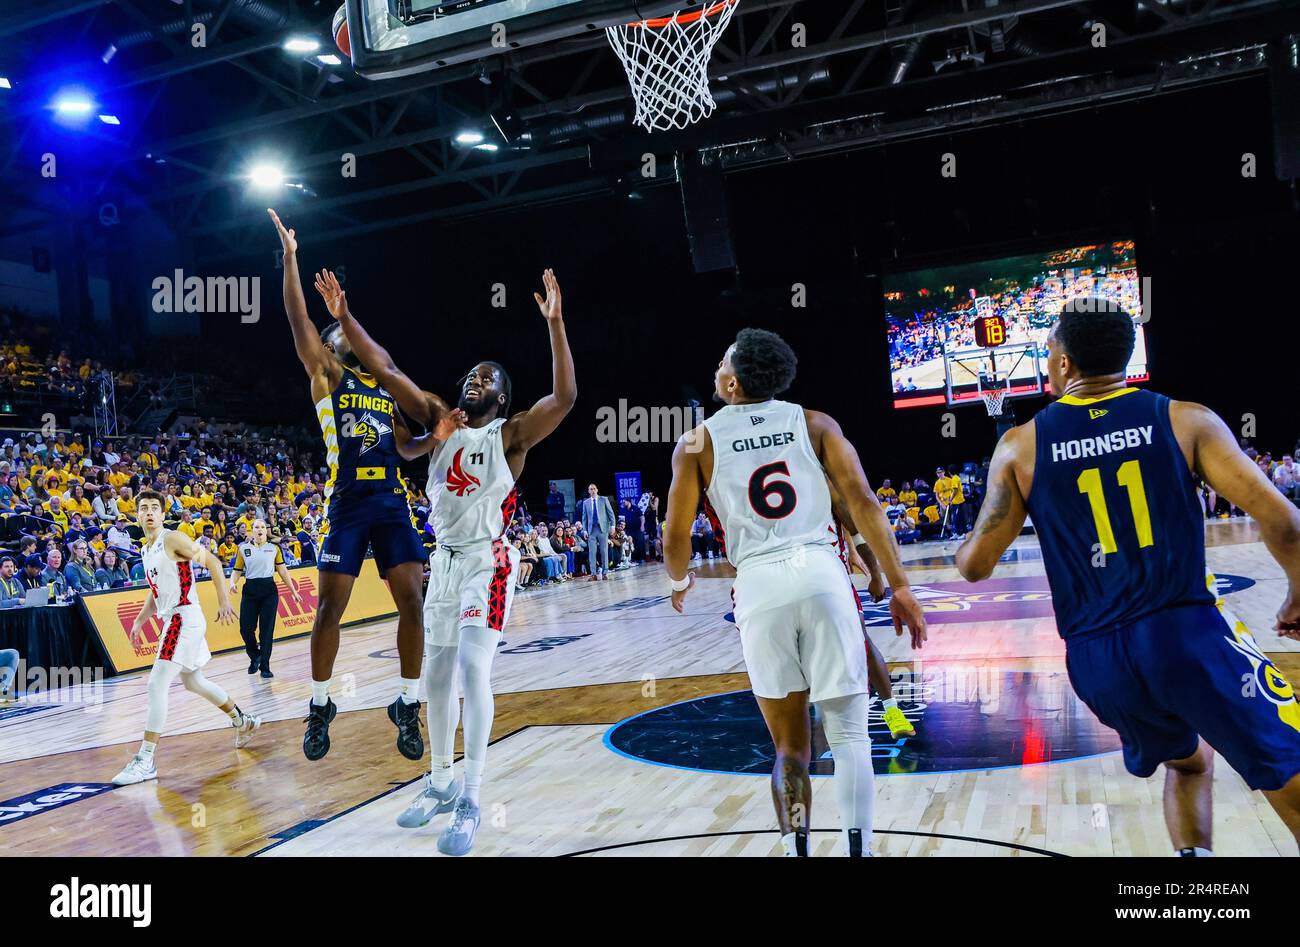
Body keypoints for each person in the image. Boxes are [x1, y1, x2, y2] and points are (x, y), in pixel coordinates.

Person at [956, 297, 1300, 855]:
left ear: (1064, 363)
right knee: (1289, 764)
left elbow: (975, 567)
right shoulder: (1183, 418)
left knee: (1190, 764)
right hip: (1183, 636)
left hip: (1096, 662)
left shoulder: (1020, 445)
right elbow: (1284, 521)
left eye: (1048, 353)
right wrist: (1296, 596)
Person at [325, 265, 574, 856]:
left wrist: (556, 325)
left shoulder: (511, 436)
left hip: (489, 562)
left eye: (485, 378)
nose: (473, 381)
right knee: (434, 677)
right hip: (445, 562)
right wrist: (345, 318)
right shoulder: (438, 417)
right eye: (470, 375)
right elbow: (385, 370)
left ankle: (471, 795)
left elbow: (564, 398)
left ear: (501, 396)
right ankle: (437, 781)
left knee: (471, 672)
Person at [665, 328, 926, 857]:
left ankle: (795, 849)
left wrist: (678, 580)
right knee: (851, 737)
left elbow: (675, 534)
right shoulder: (815, 424)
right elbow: (864, 504)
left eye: (721, 361)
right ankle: (860, 850)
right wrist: (899, 583)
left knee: (789, 747)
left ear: (733, 382)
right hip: (822, 574)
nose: (716, 368)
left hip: (759, 584)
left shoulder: (697, 441)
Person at [270, 209, 438, 763]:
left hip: (392, 499)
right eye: (340, 331)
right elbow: (298, 320)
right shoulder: (327, 374)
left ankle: (407, 704)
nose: (351, 336)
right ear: (330, 343)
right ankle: (320, 706)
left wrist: (435, 437)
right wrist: (291, 259)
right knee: (329, 610)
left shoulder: (383, 387)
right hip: (348, 501)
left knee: (414, 600)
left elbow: (406, 449)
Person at [110, 490, 259, 786]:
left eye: (155, 508)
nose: (149, 512)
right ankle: (243, 721)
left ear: (163, 514)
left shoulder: (172, 538)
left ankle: (146, 759)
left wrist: (223, 600)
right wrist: (140, 621)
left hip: (183, 617)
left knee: (156, 684)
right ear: (136, 516)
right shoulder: (146, 549)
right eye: (144, 508)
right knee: (194, 681)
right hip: (175, 617)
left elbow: (214, 562)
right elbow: (157, 593)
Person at [230, 518, 303, 679]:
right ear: (252, 530)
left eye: (263, 527)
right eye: (257, 527)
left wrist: (293, 591)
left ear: (266, 530)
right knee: (245, 629)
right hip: (250, 590)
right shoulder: (243, 548)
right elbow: (237, 569)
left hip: (269, 590)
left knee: (266, 631)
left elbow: (283, 571)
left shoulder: (274, 548)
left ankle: (265, 667)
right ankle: (255, 655)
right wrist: (232, 583)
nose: (260, 529)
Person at [580, 483, 615, 580]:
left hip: (602, 529)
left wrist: (612, 526)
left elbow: (610, 513)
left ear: (597, 490)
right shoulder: (586, 502)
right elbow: (584, 518)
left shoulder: (604, 499)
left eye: (594, 489)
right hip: (591, 530)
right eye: (590, 489)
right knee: (592, 553)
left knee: (604, 551)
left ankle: (605, 572)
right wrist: (585, 530)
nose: (593, 491)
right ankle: (593, 574)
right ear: (588, 491)